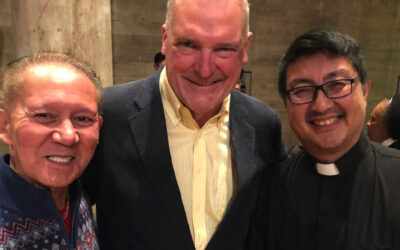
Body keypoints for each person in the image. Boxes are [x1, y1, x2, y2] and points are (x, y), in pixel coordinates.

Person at [82, 0, 286, 249]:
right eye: (189, 44)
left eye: (224, 49)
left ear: (246, 47)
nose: (204, 69)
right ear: (165, 39)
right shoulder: (107, 115)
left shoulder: (263, 124)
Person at [251, 29, 400, 250]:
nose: (321, 105)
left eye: (337, 85)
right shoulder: (270, 188)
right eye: (302, 90)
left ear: (365, 90)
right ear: (286, 103)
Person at [0, 53, 103, 250]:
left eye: (83, 119)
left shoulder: (76, 196)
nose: (68, 136)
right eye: (44, 115)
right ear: (5, 126)